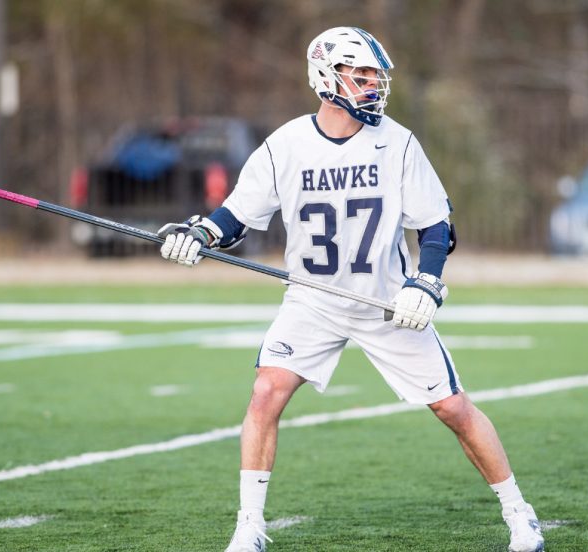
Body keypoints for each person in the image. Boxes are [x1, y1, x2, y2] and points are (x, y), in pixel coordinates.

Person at [156, 27, 545, 552]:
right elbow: (235, 217)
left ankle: (519, 513)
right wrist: (198, 234)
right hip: (312, 301)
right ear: (325, 77)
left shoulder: (397, 141)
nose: (371, 87)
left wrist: (425, 283)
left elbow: (436, 226)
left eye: (374, 78)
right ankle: (249, 526)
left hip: (384, 303)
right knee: (266, 393)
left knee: (452, 408)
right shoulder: (285, 146)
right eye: (359, 76)